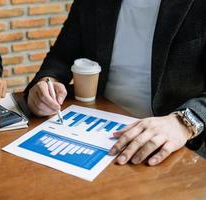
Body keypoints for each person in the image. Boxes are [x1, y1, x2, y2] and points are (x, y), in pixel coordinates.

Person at [25, 0, 206, 166]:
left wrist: (184, 122)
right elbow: (61, 57)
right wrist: (45, 83)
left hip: (176, 144)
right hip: (100, 130)